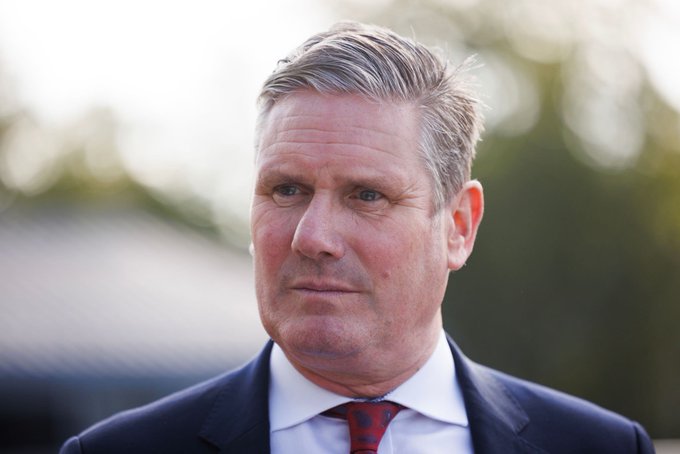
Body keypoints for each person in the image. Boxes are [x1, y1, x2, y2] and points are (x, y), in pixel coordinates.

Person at [60, 21, 654, 454]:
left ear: (458, 226)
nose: (313, 237)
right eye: (287, 190)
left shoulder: (599, 447)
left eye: (367, 196)